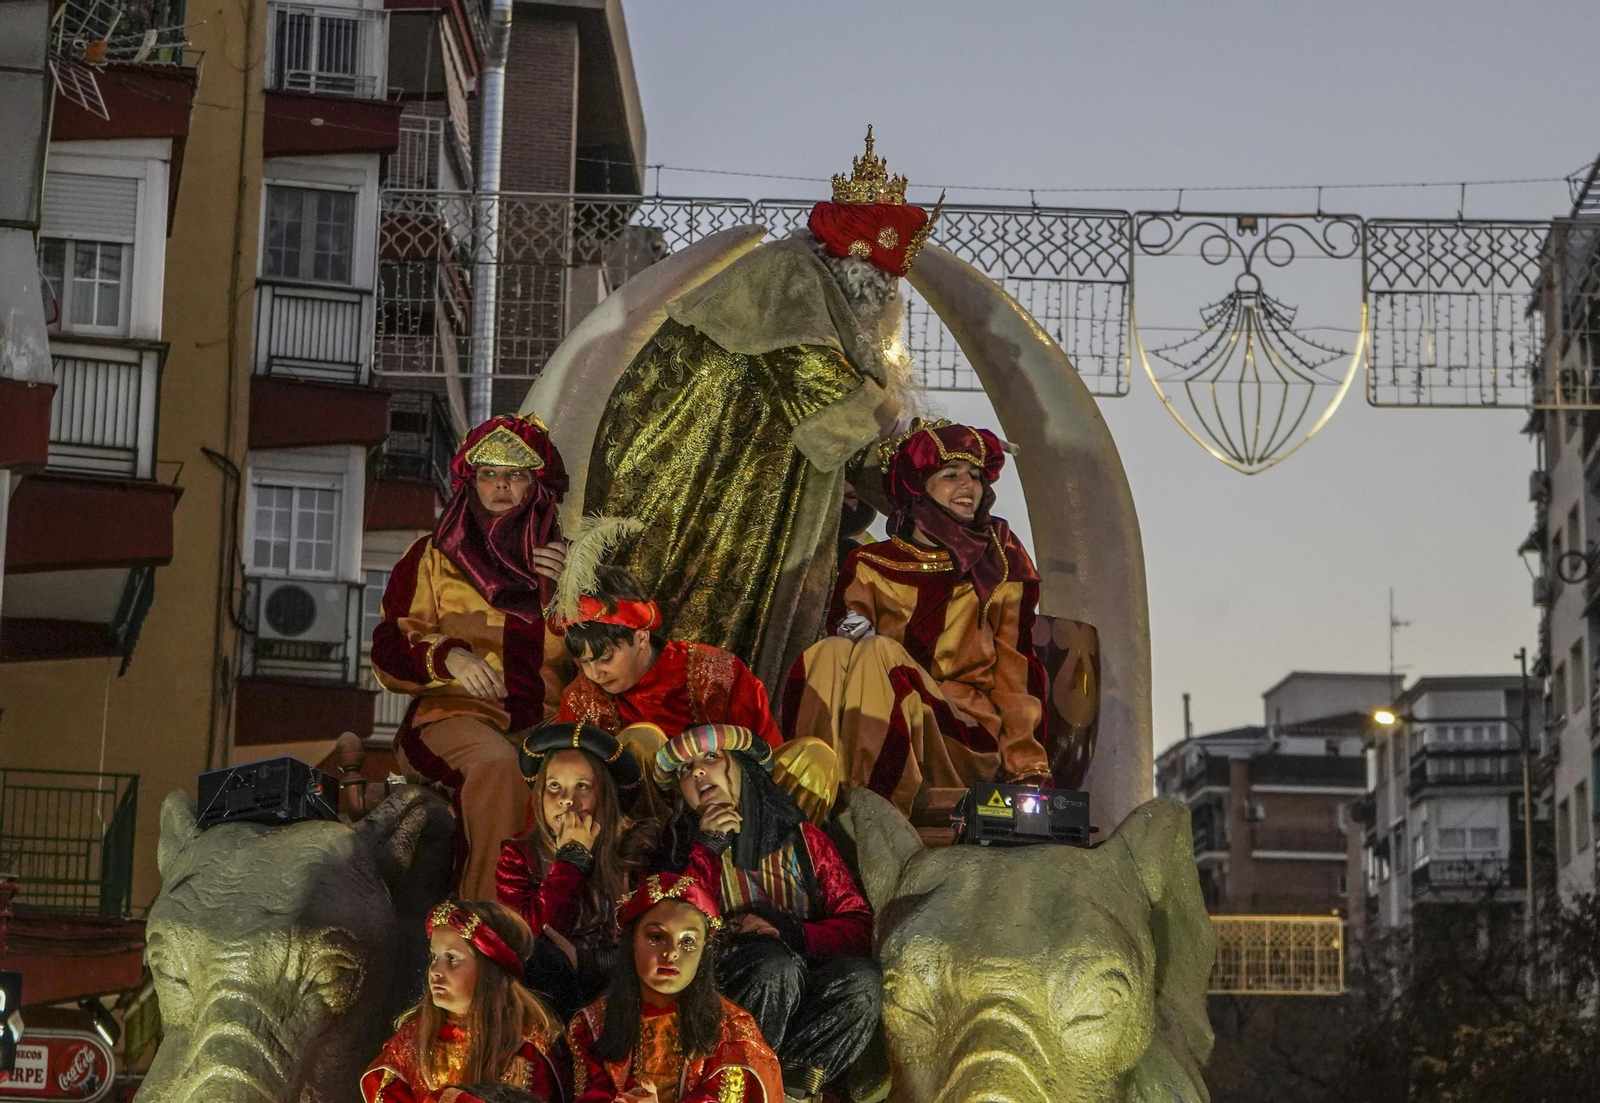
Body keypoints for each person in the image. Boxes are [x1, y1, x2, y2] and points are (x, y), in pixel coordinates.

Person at [580, 128, 941, 692]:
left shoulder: (803, 280)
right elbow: (818, 382)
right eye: (884, 280)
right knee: (695, 618)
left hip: (741, 481)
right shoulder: (787, 277)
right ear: (858, 268)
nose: (888, 295)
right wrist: (921, 455)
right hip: (703, 491)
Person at [783, 418, 1053, 817]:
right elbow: (844, 644)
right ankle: (807, 797)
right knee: (830, 652)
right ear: (916, 485)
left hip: (962, 735)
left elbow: (1016, 670)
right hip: (876, 710)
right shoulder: (870, 562)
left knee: (878, 652)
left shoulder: (999, 561)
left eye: (976, 476)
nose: (969, 486)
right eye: (951, 474)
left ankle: (868, 811)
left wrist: (1026, 768)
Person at [371, 413, 571, 898]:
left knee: (593, 772)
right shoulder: (432, 557)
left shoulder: (569, 561)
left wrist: (572, 594)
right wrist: (449, 660)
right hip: (451, 717)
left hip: (544, 725)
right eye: (488, 473)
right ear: (471, 483)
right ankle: (487, 923)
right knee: (497, 766)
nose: (501, 484)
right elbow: (388, 649)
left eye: (515, 474)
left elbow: (600, 658)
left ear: (536, 485)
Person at [653, 725, 879, 1102]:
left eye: (710, 758)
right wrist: (707, 848)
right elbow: (678, 927)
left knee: (864, 982)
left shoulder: (805, 841)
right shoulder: (677, 849)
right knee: (774, 967)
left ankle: (794, 1088)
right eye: (684, 770)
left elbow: (859, 925)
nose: (696, 773)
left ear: (742, 767)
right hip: (726, 992)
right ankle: (742, 1085)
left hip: (806, 982)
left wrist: (792, 932)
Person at [554, 567, 838, 824]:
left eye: (604, 659)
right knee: (640, 740)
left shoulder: (716, 672)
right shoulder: (580, 699)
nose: (594, 674)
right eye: (584, 662)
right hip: (646, 835)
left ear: (641, 637)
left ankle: (781, 859)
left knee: (815, 756)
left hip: (739, 815)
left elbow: (764, 755)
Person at [495, 722, 720, 1018]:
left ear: (605, 795)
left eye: (582, 786)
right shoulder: (519, 856)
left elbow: (674, 922)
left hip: (628, 988)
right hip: (552, 999)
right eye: (554, 786)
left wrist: (589, 962)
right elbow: (524, 944)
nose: (566, 798)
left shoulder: (640, 848)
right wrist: (571, 861)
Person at [568, 873, 782, 1103]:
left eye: (688, 941)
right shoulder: (592, 1025)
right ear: (631, 943)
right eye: (656, 937)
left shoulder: (734, 1034)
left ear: (704, 952)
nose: (671, 952)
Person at [361, 900, 568, 1103]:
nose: (435, 971)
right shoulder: (411, 1042)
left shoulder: (523, 1045)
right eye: (434, 957)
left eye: (452, 958)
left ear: (490, 971)